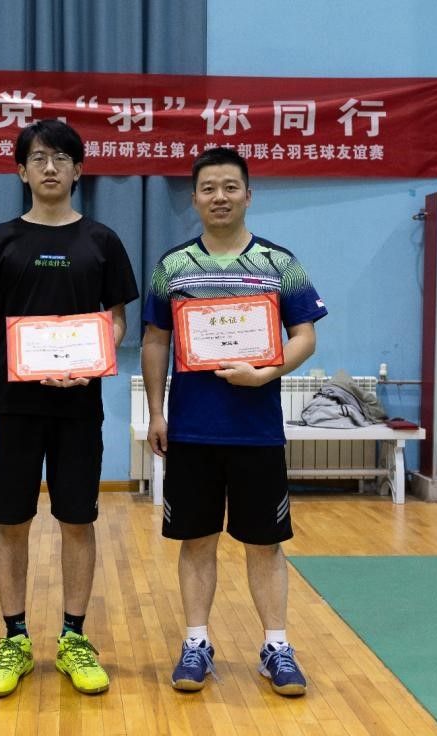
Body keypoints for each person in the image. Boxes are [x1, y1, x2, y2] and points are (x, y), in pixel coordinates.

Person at [140, 147, 327, 697]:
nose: (218, 197)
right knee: (196, 540)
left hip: (257, 431)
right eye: (208, 188)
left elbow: (306, 336)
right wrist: (157, 412)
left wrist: (266, 372)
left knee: (264, 544)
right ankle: (196, 642)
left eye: (229, 187)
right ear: (194, 198)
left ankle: (276, 647)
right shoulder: (172, 266)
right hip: (192, 431)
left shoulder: (279, 263)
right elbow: (155, 341)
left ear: (248, 194)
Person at [0, 119, 138, 697]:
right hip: (12, 408)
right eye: (38, 158)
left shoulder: (102, 241)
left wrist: (94, 360)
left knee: (77, 520)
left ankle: (73, 638)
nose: (49, 167)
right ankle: (14, 639)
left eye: (61, 158)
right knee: (10, 521)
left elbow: (117, 319)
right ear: (21, 171)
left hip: (79, 406)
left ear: (78, 170)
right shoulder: (0, 241)